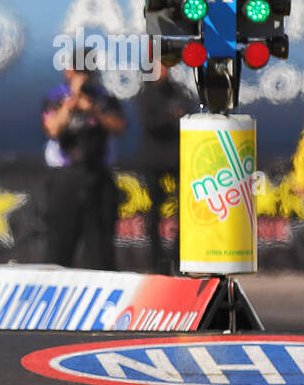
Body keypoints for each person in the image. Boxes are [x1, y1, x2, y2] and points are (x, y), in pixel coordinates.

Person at [41, 48, 126, 269]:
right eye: (79, 71)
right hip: (66, 176)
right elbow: (52, 129)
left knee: (101, 245)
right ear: (69, 71)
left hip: (98, 175)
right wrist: (70, 104)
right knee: (60, 243)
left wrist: (94, 111)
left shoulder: (104, 98)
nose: (84, 76)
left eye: (87, 72)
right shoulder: (56, 98)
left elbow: (119, 127)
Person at [137, 62, 193, 274]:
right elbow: (150, 122)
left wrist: (173, 118)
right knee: (154, 210)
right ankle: (156, 261)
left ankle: (178, 258)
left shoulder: (178, 91)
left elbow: (189, 113)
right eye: (158, 67)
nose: (164, 71)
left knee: (184, 210)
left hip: (177, 158)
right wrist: (171, 117)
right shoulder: (146, 94)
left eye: (165, 67)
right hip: (153, 159)